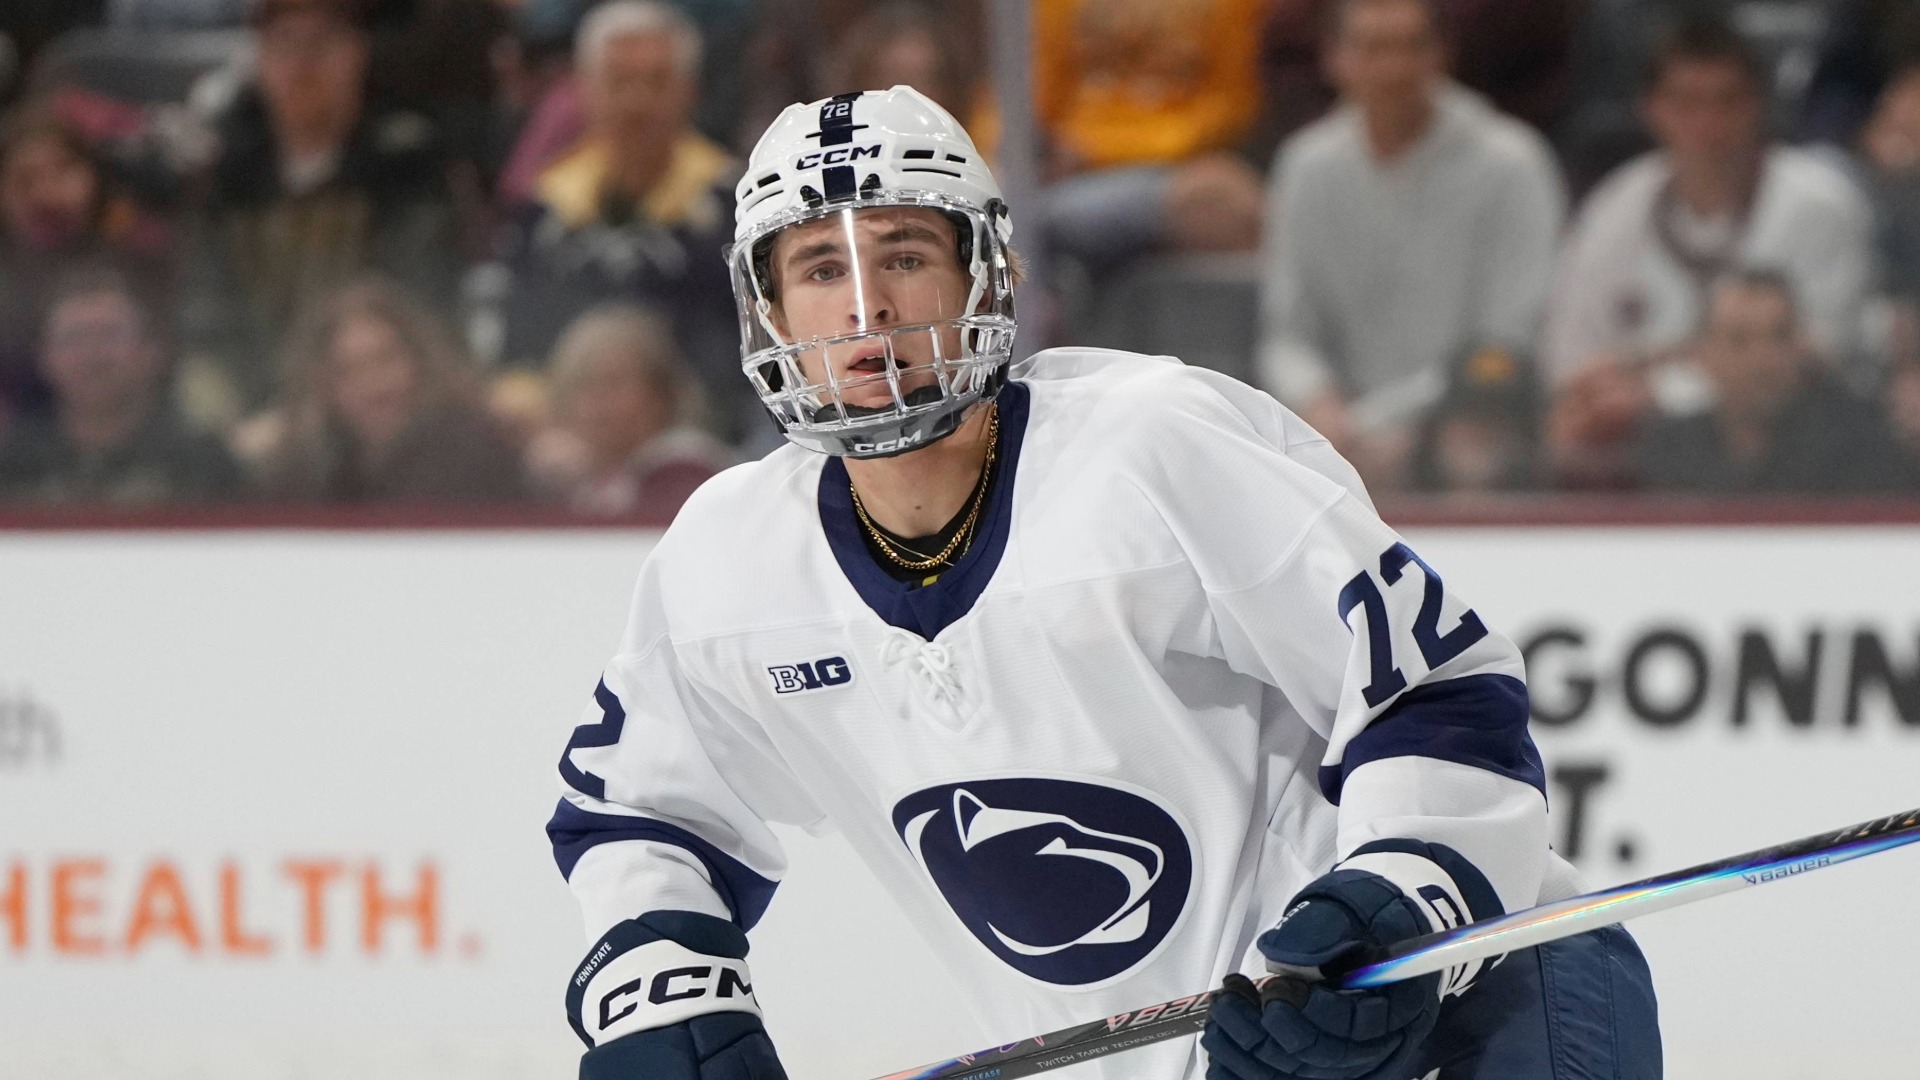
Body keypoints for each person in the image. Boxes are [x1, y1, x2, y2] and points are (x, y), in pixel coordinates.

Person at [545, 87, 1660, 1080]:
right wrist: (663, 991)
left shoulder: (1154, 444)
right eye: (822, 269)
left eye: (904, 255)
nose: (867, 308)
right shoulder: (728, 558)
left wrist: (1395, 908)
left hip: (1458, 1005)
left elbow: (1435, 690)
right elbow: (638, 809)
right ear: (770, 311)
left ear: (986, 271)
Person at [1258, 0, 1563, 490]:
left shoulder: (1511, 163)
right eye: (1373, 48)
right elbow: (1288, 335)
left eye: (1409, 47)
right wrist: (1320, 405)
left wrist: (1375, 423)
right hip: (1337, 440)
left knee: (1475, 442)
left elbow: (1506, 340)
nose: (1392, 68)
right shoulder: (1305, 167)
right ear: (1333, 58)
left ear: (1441, 55)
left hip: (1475, 426)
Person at [1543, 17, 1874, 383]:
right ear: (1650, 108)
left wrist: (1653, 372)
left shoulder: (1821, 206)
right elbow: (1569, 360)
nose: (1707, 123)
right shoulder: (1614, 207)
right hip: (1635, 432)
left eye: (1727, 101)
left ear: (1759, 104)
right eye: (1687, 102)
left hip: (1788, 432)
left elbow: (1829, 357)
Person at [178, 0, 464, 416]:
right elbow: (206, 318)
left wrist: (314, 416)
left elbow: (415, 310)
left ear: (358, 53)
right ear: (257, 59)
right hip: (251, 422)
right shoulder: (224, 182)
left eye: (323, 42)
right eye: (285, 43)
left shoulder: (408, 170)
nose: (303, 63)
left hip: (378, 411)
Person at [498, 1, 745, 438]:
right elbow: (517, 354)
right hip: (566, 442)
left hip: (704, 436)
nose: (636, 102)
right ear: (585, 91)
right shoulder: (545, 210)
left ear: (690, 90)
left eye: (655, 81)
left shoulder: (736, 206)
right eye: (619, 81)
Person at [1636, 269, 1906, 493]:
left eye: (1779, 336)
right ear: (1702, 354)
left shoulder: (1857, 446)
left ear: (1801, 345)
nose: (1762, 359)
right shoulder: (1669, 449)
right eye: (1739, 340)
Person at [260, 278, 523, 504]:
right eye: (349, 371)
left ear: (420, 358)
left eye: (386, 359)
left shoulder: (475, 457)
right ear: (322, 387)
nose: (375, 385)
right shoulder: (305, 478)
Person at [0, 266, 242, 505]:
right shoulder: (13, 464)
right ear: (45, 357)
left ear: (152, 351)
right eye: (74, 337)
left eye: (110, 335)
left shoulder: (203, 464)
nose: (93, 355)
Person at [526, 303, 732, 519]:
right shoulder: (577, 479)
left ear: (660, 392)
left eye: (613, 383)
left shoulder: (684, 471)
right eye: (580, 385)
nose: (595, 402)